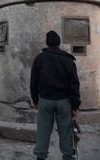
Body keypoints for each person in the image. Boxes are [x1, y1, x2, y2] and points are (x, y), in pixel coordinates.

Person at [30, 30, 80, 160]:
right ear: (59, 43)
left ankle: (40, 155)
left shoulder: (40, 58)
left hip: (45, 100)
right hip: (64, 101)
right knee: (66, 131)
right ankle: (68, 155)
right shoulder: (68, 60)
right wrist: (75, 106)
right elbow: (74, 84)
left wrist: (35, 100)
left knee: (43, 130)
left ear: (47, 43)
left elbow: (33, 81)